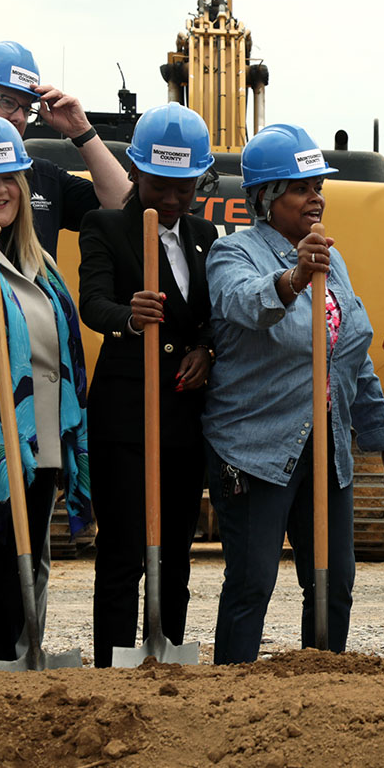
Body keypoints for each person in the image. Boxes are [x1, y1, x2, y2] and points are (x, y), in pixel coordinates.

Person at [203, 124, 384, 664]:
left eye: (318, 187)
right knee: (253, 581)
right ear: (266, 198)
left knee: (333, 579)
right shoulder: (233, 253)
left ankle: (321, 687)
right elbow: (246, 304)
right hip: (257, 448)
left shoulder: (331, 260)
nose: (316, 199)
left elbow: (351, 354)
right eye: (301, 189)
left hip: (327, 446)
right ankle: (233, 694)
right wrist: (294, 277)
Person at [78, 103, 217, 667]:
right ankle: (113, 662)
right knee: (124, 551)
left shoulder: (205, 235)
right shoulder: (105, 226)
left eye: (185, 188)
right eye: (162, 185)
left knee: (176, 553)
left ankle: (166, 655)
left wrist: (206, 350)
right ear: (135, 172)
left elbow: (213, 316)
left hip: (183, 420)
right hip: (126, 420)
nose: (174, 200)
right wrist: (129, 317)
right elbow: (94, 303)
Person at [0, 113, 90, 669]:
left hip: (41, 442)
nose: (0, 190)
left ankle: (18, 668)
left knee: (24, 565)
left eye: (9, 179)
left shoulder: (39, 262)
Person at [0, 41, 130, 258]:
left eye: (26, 108)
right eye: (7, 101)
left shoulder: (42, 177)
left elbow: (125, 209)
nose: (19, 118)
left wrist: (82, 132)